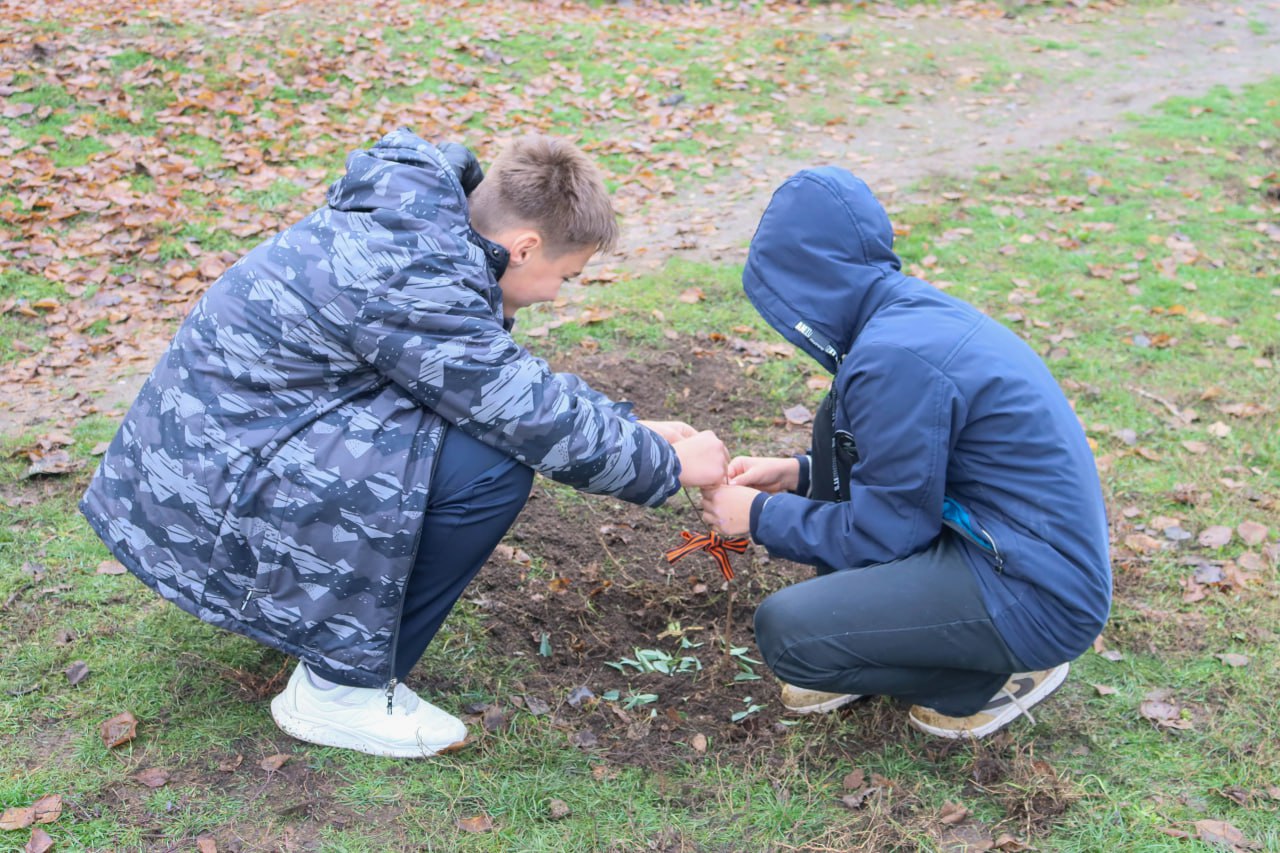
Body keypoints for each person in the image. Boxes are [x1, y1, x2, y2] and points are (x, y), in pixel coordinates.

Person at [80, 130, 729, 758]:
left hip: (217, 455)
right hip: (204, 492)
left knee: (467, 438)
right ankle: (340, 690)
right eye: (569, 275)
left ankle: (320, 634)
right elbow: (523, 415)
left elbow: (497, 378)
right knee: (490, 471)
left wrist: (628, 429)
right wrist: (666, 464)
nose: (561, 293)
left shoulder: (419, 231)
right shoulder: (417, 269)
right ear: (526, 247)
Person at [698, 167, 1111, 739]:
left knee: (788, 634)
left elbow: (886, 533)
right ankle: (884, 642)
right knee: (834, 428)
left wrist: (760, 516)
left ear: (804, 277)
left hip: (1034, 593)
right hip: (1003, 548)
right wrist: (798, 475)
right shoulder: (903, 319)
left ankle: (991, 678)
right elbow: (911, 470)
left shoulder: (895, 358)